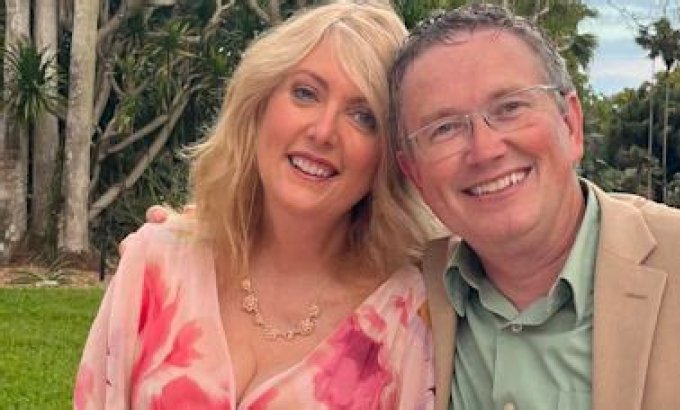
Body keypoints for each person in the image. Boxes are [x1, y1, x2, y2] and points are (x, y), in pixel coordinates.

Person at [73, 2, 437, 408]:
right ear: (258, 104)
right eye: (306, 93)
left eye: (363, 116)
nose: (323, 132)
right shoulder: (154, 263)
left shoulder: (408, 320)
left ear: (389, 156)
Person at [390, 4, 680, 410]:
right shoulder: (407, 299)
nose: (485, 149)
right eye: (444, 129)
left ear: (570, 124)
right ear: (414, 173)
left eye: (509, 108)